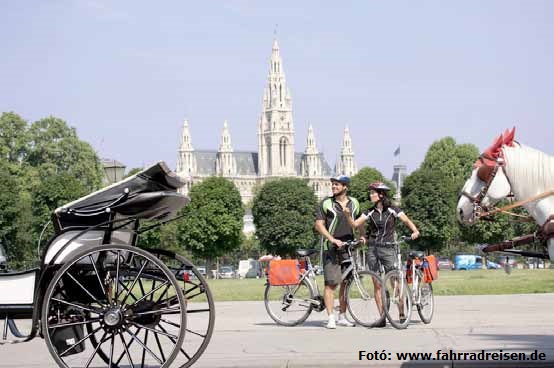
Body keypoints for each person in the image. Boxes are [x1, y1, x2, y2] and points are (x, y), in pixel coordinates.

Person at [345, 181, 419, 327]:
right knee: (377, 283)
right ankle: (381, 318)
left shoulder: (393, 209)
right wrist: (348, 215)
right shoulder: (370, 212)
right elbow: (354, 224)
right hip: (372, 249)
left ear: (381, 194)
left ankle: (402, 312)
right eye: (370, 192)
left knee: (395, 281)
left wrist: (415, 231)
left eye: (373, 193)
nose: (370, 195)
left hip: (388, 248)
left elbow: (406, 220)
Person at [314, 175, 364, 329]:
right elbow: (319, 225)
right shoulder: (326, 203)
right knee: (331, 284)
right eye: (333, 184)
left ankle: (342, 316)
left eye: (337, 184)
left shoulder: (354, 202)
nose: (334, 187)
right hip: (331, 248)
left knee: (346, 283)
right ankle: (330, 318)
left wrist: (362, 236)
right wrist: (332, 239)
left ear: (345, 187)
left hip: (349, 248)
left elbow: (360, 221)